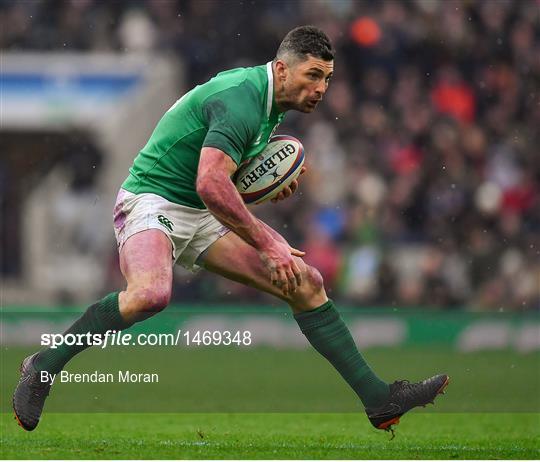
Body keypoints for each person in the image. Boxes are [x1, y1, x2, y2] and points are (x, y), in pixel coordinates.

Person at [13, 25, 448, 434]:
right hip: (152, 198)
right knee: (150, 294)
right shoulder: (242, 99)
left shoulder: (270, 103)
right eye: (313, 75)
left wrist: (258, 186)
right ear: (281, 68)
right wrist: (270, 241)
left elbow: (219, 177)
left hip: (200, 211)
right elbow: (208, 181)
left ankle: (379, 400)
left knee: (307, 283)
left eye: (327, 79)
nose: (321, 89)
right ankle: (44, 367)